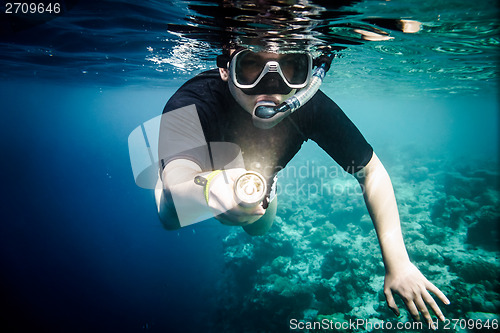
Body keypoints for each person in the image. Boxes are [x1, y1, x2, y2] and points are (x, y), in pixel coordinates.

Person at [154, 46, 450, 328]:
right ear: (225, 69)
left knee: (258, 226)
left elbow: (370, 171)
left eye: (291, 68)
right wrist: (208, 189)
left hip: (255, 185)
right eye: (251, 65)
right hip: (200, 178)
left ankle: (265, 184)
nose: (270, 87)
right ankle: (222, 183)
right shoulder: (194, 101)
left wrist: (398, 263)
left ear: (308, 73)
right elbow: (178, 178)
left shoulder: (311, 106)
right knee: (170, 217)